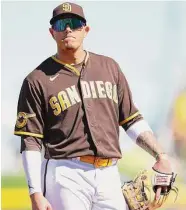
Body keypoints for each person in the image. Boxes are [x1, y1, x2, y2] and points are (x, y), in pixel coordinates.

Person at [14, 2, 173, 210]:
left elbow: (131, 119)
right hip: (65, 171)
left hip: (109, 174)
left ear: (85, 30)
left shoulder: (109, 68)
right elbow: (31, 140)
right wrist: (35, 192)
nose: (68, 29)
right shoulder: (37, 80)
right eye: (61, 24)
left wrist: (160, 155)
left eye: (75, 23)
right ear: (52, 32)